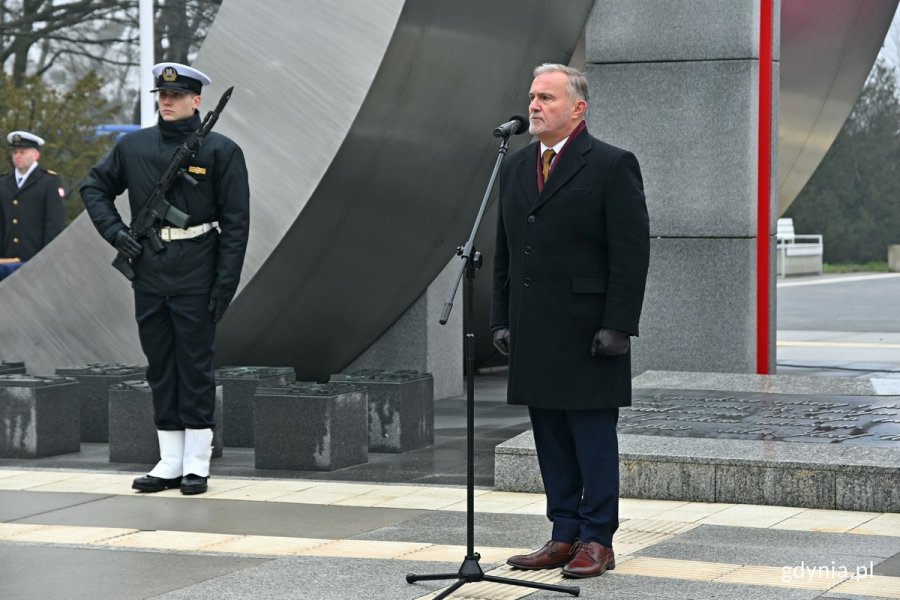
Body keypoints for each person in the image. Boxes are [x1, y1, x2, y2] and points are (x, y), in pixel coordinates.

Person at [491, 64, 649, 578]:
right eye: (532, 96)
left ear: (577, 108)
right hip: (534, 329)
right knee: (550, 436)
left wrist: (619, 325)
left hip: (589, 332)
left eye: (547, 98)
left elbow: (631, 253)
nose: (534, 106)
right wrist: (500, 319)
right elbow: (504, 254)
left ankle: (597, 539)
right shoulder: (514, 168)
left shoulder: (611, 164)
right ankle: (563, 533)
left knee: (591, 436)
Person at [80, 62, 250, 496]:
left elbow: (236, 225)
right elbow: (94, 188)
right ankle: (169, 461)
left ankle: (196, 462)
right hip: (150, 271)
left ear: (196, 101)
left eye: (177, 96)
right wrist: (116, 233)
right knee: (160, 364)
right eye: (162, 94)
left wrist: (223, 286)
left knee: (194, 366)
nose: (167, 101)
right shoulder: (133, 147)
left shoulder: (220, 151)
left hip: (198, 268)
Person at [0, 131, 66, 261]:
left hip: (35, 261)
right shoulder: (3, 182)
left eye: (23, 152)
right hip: (5, 261)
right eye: (15, 152)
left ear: (36, 155)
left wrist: (46, 258)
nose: (17, 156)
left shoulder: (49, 182)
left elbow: (54, 225)